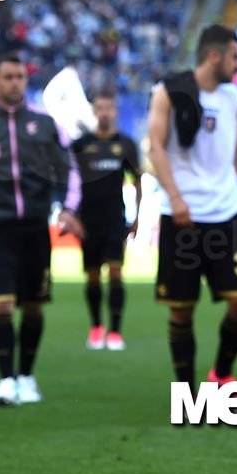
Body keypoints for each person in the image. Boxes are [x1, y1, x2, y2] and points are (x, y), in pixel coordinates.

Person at [0, 56, 84, 407]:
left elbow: (69, 169)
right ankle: (6, 379)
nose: (14, 83)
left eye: (20, 77)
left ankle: (26, 375)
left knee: (34, 308)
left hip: (36, 230)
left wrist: (69, 209)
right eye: (7, 77)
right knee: (3, 305)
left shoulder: (44, 124)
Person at [148, 24, 237, 389]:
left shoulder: (232, 97)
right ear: (214, 55)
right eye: (235, 57)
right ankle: (186, 391)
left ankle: (221, 374)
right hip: (182, 217)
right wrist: (175, 196)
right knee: (181, 308)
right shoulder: (168, 92)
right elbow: (155, 146)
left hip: (225, 214)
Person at [71, 93, 142, 351]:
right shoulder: (80, 145)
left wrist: (136, 218)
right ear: (94, 111)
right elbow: (71, 182)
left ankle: (114, 331)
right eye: (99, 108)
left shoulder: (126, 144)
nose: (104, 112)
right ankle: (96, 326)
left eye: (108, 108)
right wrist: (73, 215)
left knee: (115, 273)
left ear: (115, 111)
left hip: (115, 219)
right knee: (92, 277)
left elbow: (137, 182)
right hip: (88, 221)